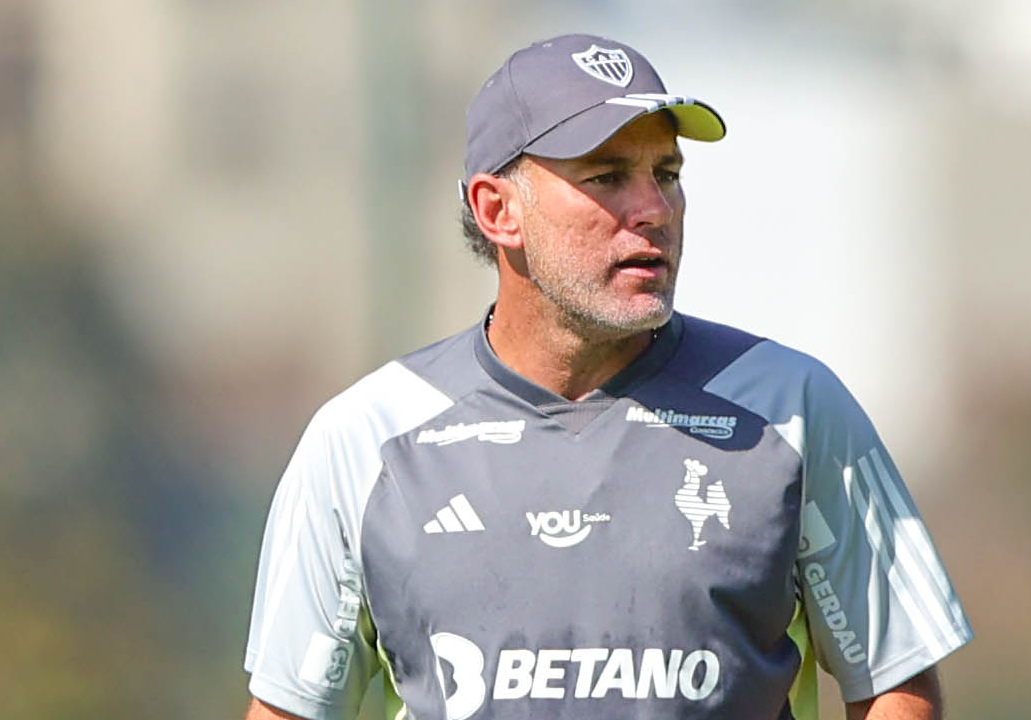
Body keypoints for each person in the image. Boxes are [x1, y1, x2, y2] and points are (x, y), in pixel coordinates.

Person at [242, 33, 972, 720]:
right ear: (497, 211)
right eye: (608, 177)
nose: (654, 209)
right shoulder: (366, 439)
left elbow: (896, 686)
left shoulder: (792, 407)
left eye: (667, 174)